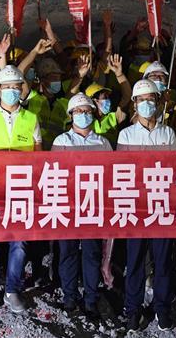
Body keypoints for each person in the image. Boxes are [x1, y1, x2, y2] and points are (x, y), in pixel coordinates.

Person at [0, 65, 41, 314]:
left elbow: (38, 157)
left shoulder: (31, 118)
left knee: (19, 243)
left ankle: (13, 290)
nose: (12, 91)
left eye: (17, 87)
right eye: (8, 87)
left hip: (21, 189)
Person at [117, 79, 176, 331]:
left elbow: (174, 170)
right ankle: (133, 310)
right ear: (134, 103)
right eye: (141, 100)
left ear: (158, 102)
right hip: (136, 206)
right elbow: (121, 172)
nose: (146, 104)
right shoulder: (126, 134)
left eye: (151, 99)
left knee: (162, 262)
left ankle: (162, 308)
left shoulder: (168, 133)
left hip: (161, 205)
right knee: (135, 262)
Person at [53, 93, 113, 321]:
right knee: (67, 252)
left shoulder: (103, 142)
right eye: (78, 112)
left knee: (91, 254)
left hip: (93, 206)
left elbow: (110, 174)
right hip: (67, 205)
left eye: (87, 111)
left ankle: (90, 298)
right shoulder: (61, 142)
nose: (83, 115)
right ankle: (69, 296)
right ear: (70, 116)